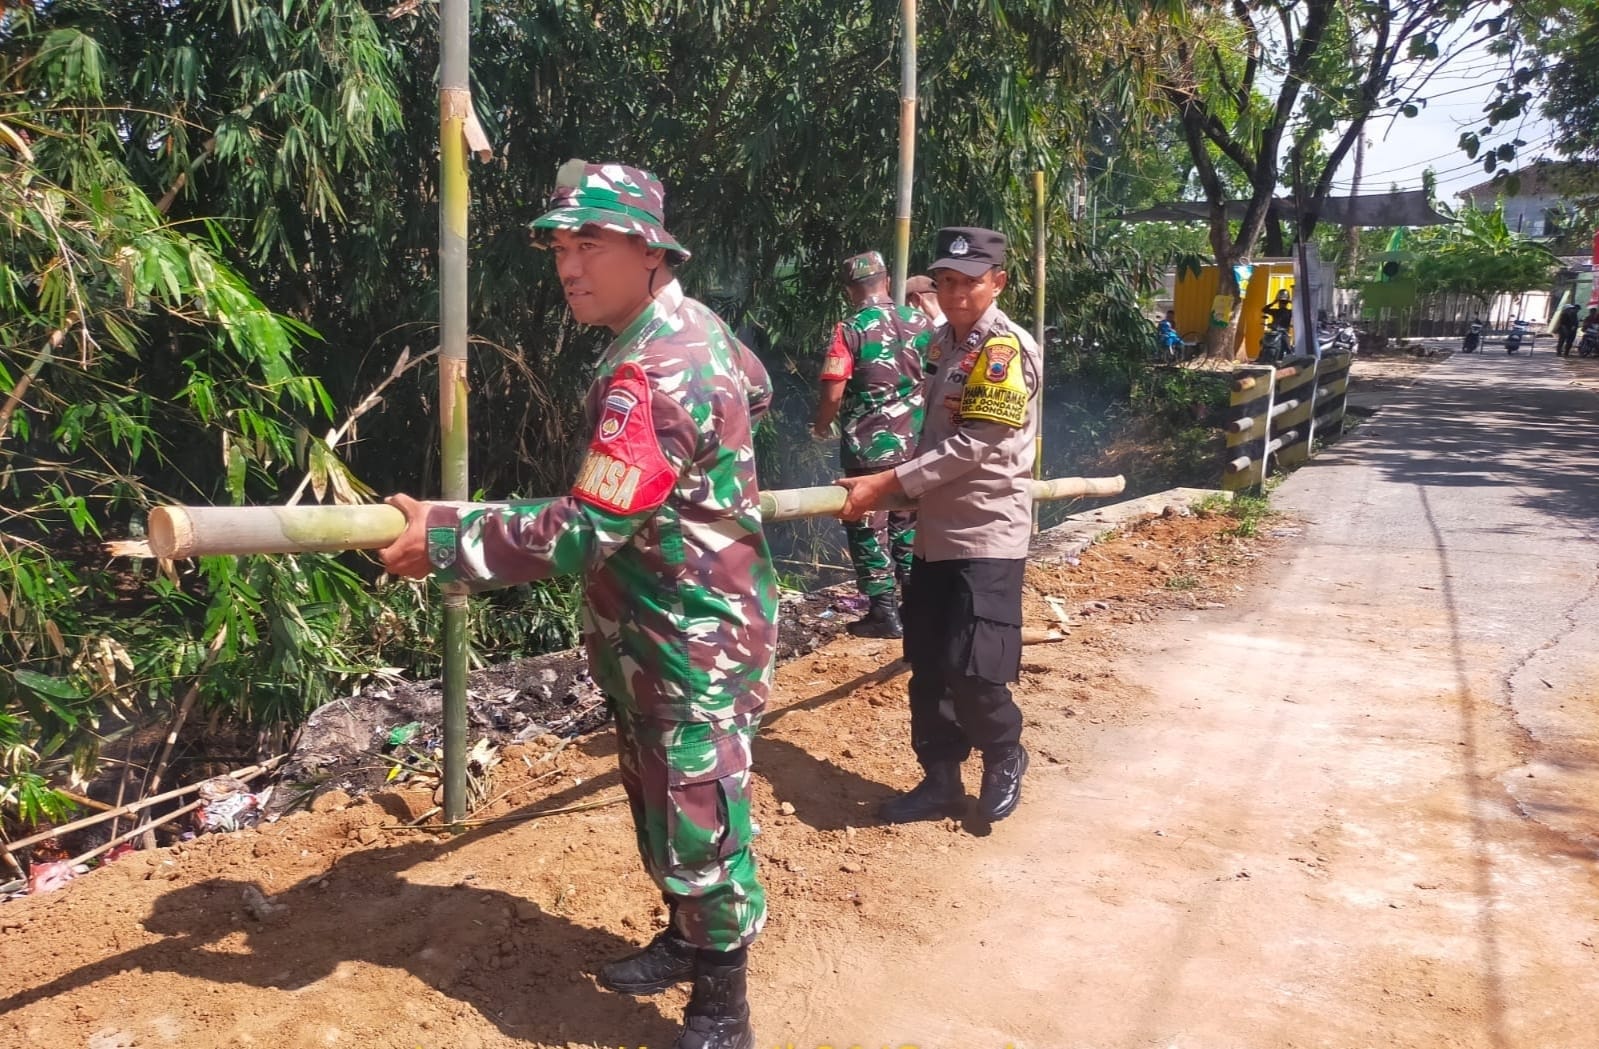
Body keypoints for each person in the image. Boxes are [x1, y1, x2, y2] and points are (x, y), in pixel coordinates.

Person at [378, 159, 774, 1049]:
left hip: (689, 634)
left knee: (696, 811)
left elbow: (578, 531)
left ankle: (723, 1007)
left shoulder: (657, 372)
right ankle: (685, 939)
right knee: (658, 792)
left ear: (649, 251)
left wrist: (442, 538)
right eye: (561, 244)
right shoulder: (687, 328)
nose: (568, 265)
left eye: (589, 243)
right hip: (661, 623)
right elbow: (757, 383)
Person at [834, 226, 1041, 826]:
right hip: (933, 535)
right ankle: (941, 780)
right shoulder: (943, 345)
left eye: (969, 283)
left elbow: (976, 444)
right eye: (946, 282)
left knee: (974, 668)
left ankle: (1005, 753)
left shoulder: (1000, 349)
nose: (954, 293)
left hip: (984, 533)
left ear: (997, 283)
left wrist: (887, 484)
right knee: (927, 664)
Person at [812, 251, 933, 638]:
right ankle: (916, 603)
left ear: (850, 289)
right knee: (907, 520)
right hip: (917, 443)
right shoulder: (921, 322)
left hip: (868, 446)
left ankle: (884, 613)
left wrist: (820, 426)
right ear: (885, 278)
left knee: (866, 522)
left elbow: (834, 390)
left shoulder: (849, 329)